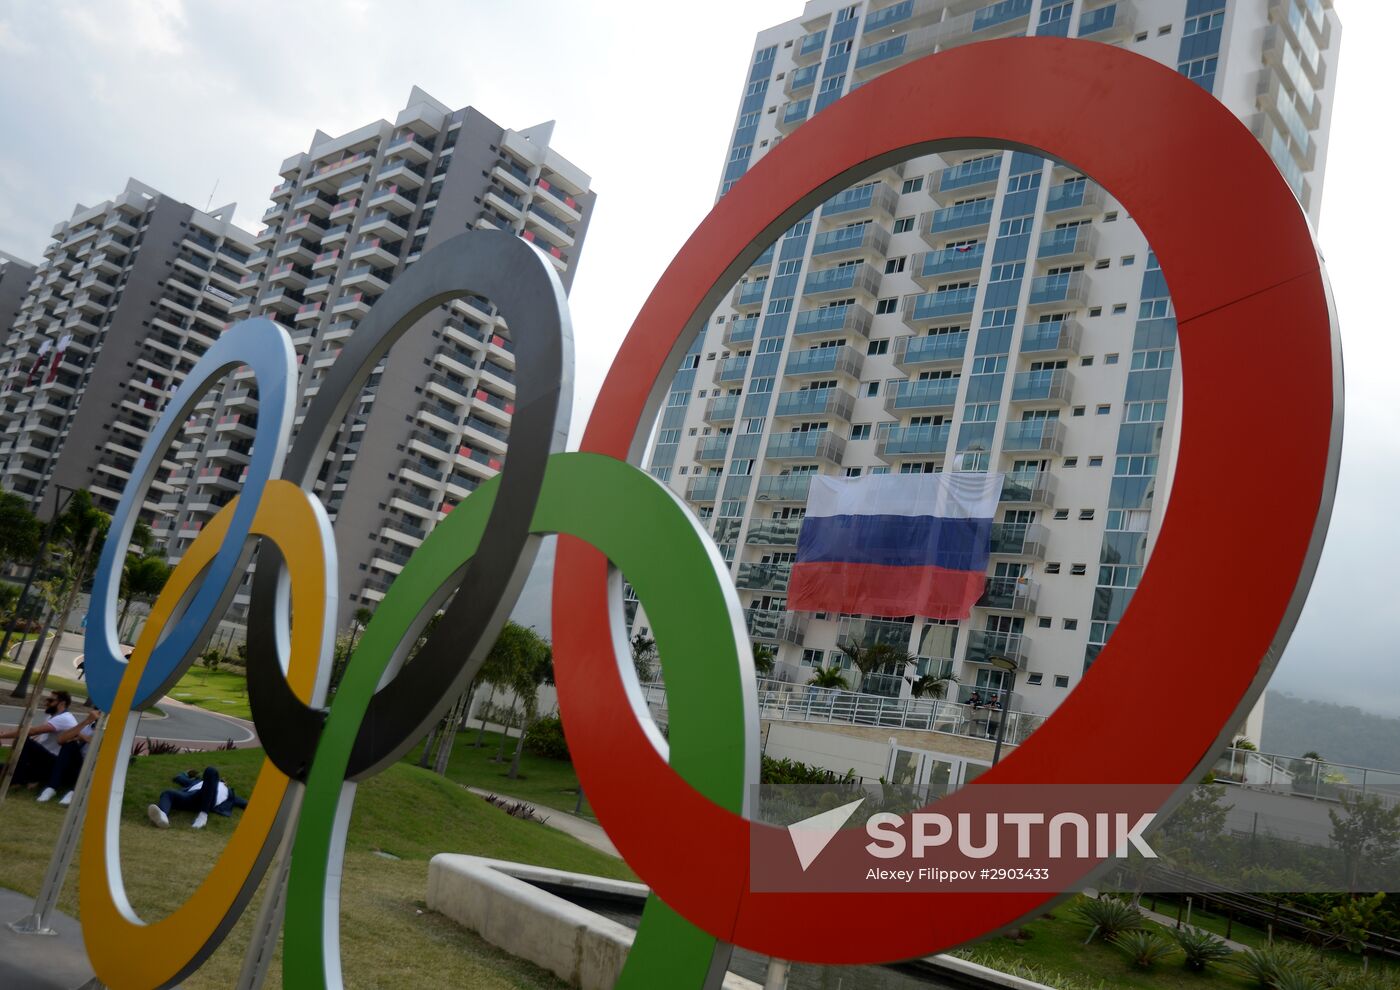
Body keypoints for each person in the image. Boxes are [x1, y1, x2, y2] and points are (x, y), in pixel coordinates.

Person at [0, 691, 79, 789]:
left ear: (62, 703)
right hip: (43, 758)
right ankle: (28, 776)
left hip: (54, 761)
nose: (46, 703)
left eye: (50, 700)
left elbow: (32, 731)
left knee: (24, 741)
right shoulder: (53, 716)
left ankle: (16, 781)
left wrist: (2, 736)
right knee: (3, 767)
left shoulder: (64, 718)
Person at [37, 707, 100, 806]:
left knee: (91, 760)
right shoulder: (87, 726)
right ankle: (52, 787)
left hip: (93, 767)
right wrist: (87, 721)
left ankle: (74, 792)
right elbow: (61, 740)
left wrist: (81, 736)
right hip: (77, 763)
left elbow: (98, 743)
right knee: (69, 745)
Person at [148, 766, 245, 830]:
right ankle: (163, 817)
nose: (223, 780)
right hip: (191, 797)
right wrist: (188, 773)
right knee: (168, 792)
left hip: (210, 801)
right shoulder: (197, 782)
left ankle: (203, 816)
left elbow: (245, 803)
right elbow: (178, 778)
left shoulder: (228, 792)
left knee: (211, 770)